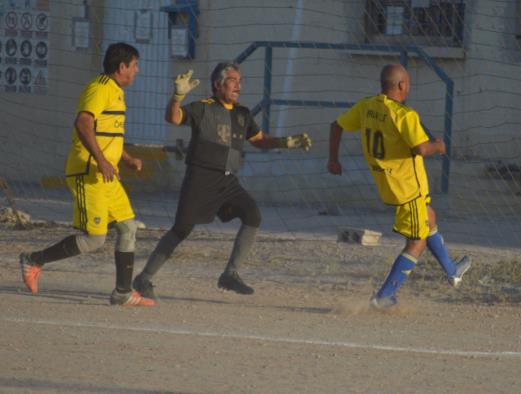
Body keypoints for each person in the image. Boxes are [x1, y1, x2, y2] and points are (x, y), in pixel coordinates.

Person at [132, 63, 311, 299]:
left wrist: (284, 142)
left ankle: (230, 274)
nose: (239, 85)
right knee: (182, 229)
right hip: (201, 178)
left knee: (253, 214)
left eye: (240, 80)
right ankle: (143, 278)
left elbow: (258, 140)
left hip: (228, 182)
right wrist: (177, 96)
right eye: (233, 80)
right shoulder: (203, 108)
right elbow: (173, 118)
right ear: (218, 85)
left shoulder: (242, 113)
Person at [19, 43, 154, 306]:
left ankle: (123, 293)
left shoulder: (116, 92)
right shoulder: (100, 87)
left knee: (127, 226)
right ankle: (34, 260)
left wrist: (125, 158)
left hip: (107, 174)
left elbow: (107, 134)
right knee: (95, 238)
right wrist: (101, 161)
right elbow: (83, 123)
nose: (138, 70)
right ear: (122, 67)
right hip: (87, 172)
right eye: (135, 65)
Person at [327, 64, 471, 309]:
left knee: (430, 217)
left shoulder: (367, 106)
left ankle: (452, 270)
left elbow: (336, 125)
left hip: (389, 183)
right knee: (417, 242)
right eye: (408, 84)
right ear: (401, 85)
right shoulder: (405, 115)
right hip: (408, 189)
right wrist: (439, 146)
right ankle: (384, 296)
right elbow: (421, 149)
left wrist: (333, 159)